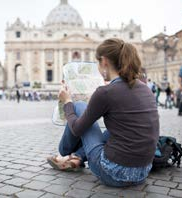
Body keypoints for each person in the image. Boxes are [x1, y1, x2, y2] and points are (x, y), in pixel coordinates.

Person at [47, 38, 159, 187]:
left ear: (104, 61)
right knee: (117, 128)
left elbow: (77, 129)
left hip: (113, 173)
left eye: (97, 63)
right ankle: (78, 157)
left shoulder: (105, 93)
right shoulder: (145, 88)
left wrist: (67, 102)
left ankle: (65, 153)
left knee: (79, 106)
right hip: (142, 172)